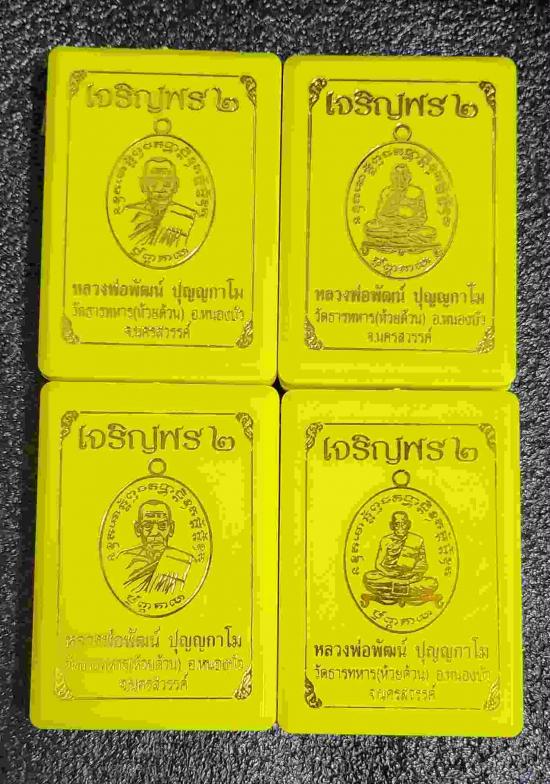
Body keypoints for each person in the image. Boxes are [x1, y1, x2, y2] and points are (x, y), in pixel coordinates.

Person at [116, 499, 194, 594]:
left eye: (162, 525)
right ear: (138, 529)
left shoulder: (184, 561)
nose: (155, 532)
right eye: (147, 525)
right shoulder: (124, 560)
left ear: (171, 528)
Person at [362, 510, 439, 606]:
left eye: (403, 523)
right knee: (369, 577)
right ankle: (406, 589)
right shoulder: (386, 540)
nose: (400, 527)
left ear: (408, 524)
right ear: (392, 526)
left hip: (409, 577)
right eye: (397, 524)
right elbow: (378, 564)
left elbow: (422, 563)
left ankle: (391, 590)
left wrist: (412, 576)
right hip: (389, 576)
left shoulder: (418, 540)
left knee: (432, 583)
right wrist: (388, 573)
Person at [124, 157, 196, 249]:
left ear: (176, 184)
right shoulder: (128, 214)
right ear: (142, 184)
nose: (160, 187)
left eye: (167, 182)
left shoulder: (186, 215)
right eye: (153, 182)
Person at [363, 163, 438, 252]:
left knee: (430, 232)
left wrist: (407, 223)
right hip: (390, 227)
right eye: (397, 178)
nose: (401, 181)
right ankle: (403, 238)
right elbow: (380, 215)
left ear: (409, 177)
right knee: (370, 227)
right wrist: (394, 222)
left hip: (410, 228)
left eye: (404, 177)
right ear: (393, 178)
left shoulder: (417, 192)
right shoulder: (387, 192)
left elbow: (422, 217)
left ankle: (396, 239)